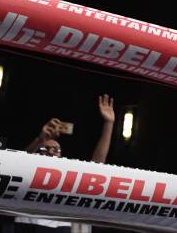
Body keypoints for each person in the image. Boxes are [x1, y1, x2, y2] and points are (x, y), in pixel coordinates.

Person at [16, 94, 115, 232]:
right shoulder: (28, 172)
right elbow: (19, 162)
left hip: (60, 227)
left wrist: (108, 124)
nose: (51, 152)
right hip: (27, 224)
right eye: (45, 149)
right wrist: (40, 139)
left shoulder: (67, 177)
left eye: (56, 150)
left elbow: (96, 168)